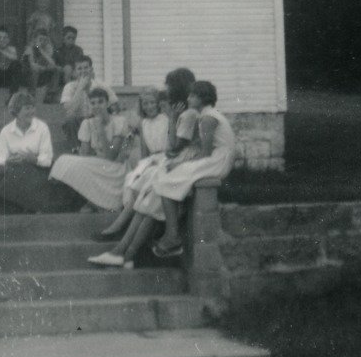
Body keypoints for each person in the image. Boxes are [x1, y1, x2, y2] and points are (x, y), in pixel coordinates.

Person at [88, 80, 235, 268]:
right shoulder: (201, 116)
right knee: (154, 191)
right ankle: (125, 253)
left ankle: (166, 239)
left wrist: (181, 164)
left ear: (202, 98)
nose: (188, 99)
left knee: (161, 185)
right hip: (212, 159)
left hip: (217, 161)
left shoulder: (207, 118)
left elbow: (204, 153)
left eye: (192, 96)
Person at [91, 81, 192, 242]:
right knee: (134, 180)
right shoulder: (143, 123)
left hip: (167, 159)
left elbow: (173, 145)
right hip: (152, 161)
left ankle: (117, 228)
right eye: (146, 103)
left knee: (143, 187)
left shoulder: (166, 119)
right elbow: (145, 153)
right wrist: (142, 169)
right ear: (142, 106)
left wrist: (172, 121)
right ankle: (120, 227)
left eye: (152, 103)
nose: (149, 106)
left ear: (158, 104)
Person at [0, 91, 70, 213]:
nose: (31, 112)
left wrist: (33, 159)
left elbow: (47, 159)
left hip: (37, 170)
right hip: (14, 169)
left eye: (33, 108)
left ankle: (17, 201)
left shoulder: (42, 128)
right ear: (17, 111)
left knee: (19, 176)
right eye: (27, 108)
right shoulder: (6, 131)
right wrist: (8, 160)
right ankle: (23, 201)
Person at [49, 87, 133, 212]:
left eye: (100, 102)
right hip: (97, 164)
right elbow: (84, 155)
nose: (97, 106)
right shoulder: (87, 124)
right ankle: (93, 201)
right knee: (63, 160)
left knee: (71, 162)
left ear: (107, 103)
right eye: (93, 103)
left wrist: (100, 130)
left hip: (115, 167)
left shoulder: (119, 121)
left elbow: (111, 154)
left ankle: (101, 204)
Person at [60, 56, 118, 150]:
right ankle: (76, 149)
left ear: (91, 70)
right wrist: (80, 88)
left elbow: (114, 106)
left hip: (98, 119)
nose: (83, 71)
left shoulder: (101, 85)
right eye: (79, 68)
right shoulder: (69, 87)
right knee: (70, 119)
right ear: (74, 72)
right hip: (78, 122)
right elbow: (69, 110)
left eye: (86, 68)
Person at [21, 27, 61, 102]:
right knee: (35, 70)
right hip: (29, 72)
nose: (42, 42)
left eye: (45, 40)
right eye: (40, 39)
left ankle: (50, 93)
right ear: (35, 39)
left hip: (42, 70)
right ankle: (32, 93)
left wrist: (41, 50)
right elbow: (32, 64)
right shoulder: (30, 48)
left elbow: (52, 63)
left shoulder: (48, 47)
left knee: (57, 68)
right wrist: (37, 48)